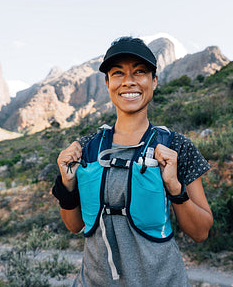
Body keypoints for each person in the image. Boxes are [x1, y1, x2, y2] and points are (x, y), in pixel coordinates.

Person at [52, 36, 213, 286]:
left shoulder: (177, 146)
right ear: (107, 83)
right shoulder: (86, 148)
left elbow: (201, 232)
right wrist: (67, 185)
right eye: (118, 73)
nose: (129, 81)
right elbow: (74, 225)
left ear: (154, 81)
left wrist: (175, 188)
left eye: (140, 72)